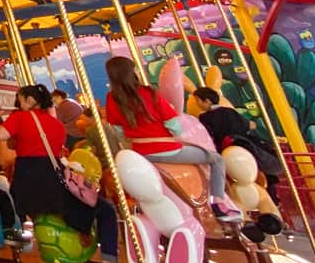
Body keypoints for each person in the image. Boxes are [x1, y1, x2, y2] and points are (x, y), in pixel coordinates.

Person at [0, 84, 128, 263]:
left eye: (20, 99)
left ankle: (14, 231)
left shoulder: (20, 117)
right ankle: (109, 262)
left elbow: (2, 137)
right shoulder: (56, 124)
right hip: (54, 183)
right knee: (106, 211)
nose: (18, 103)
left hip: (28, 188)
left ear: (30, 101)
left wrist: (0, 121)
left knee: (7, 201)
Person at [103, 57, 242, 222]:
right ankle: (218, 203)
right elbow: (172, 123)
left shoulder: (112, 98)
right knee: (217, 159)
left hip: (141, 153)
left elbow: (118, 130)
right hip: (168, 150)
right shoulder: (149, 92)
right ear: (132, 72)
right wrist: (174, 133)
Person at [194, 87, 284, 199]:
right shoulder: (229, 111)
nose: (197, 104)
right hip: (245, 145)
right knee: (259, 167)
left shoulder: (205, 117)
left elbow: (209, 136)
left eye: (197, 101)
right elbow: (250, 125)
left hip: (227, 150)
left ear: (207, 101)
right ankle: (272, 197)